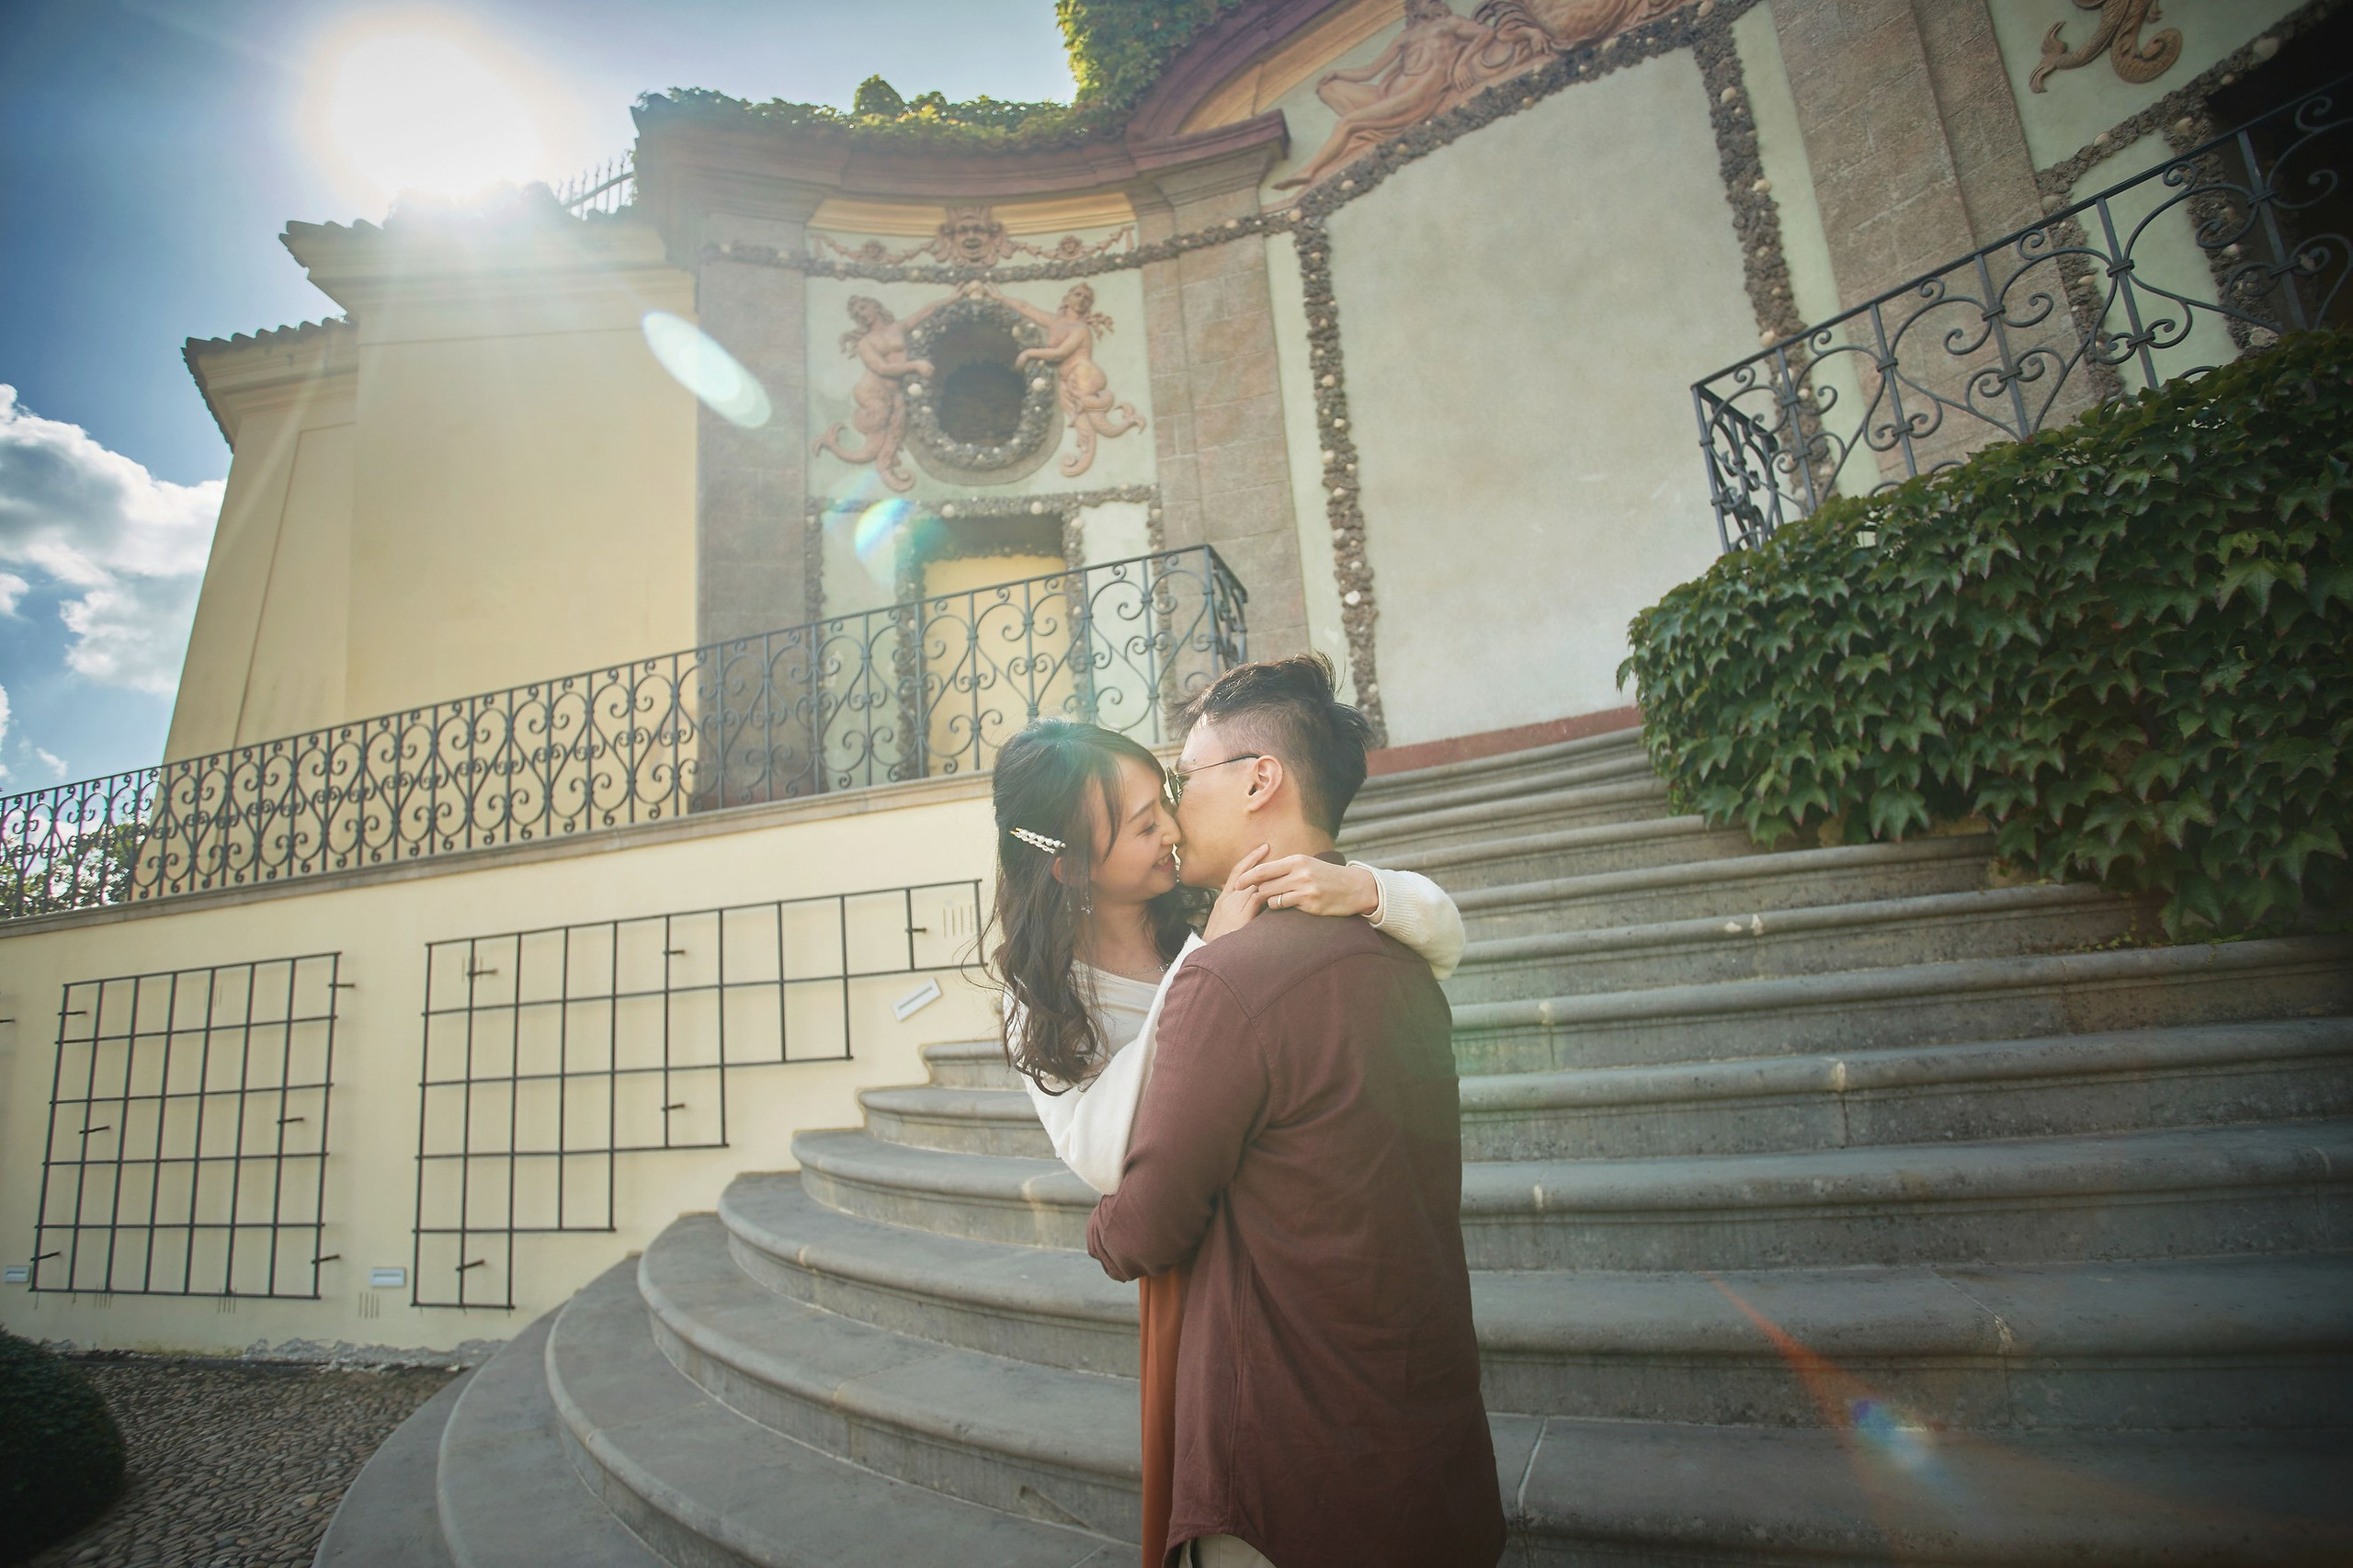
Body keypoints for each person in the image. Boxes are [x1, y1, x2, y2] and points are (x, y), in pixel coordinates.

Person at [987, 718, 1465, 1568]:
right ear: (1069, 865)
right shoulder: (1044, 998)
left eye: (1164, 800)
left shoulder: (1203, 906)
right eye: (1140, 828)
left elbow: (1445, 931)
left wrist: (1361, 887)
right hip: (1189, 1254)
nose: (1171, 830)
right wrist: (1205, 963)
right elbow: (1102, 1158)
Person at [1086, 655, 1506, 1568]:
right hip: (1425, 1442)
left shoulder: (1228, 979)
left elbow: (1150, 1222)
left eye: (1182, 777)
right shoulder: (1404, 959)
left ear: (1259, 778)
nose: (1169, 804)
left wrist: (1102, 1228)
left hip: (1288, 1470)